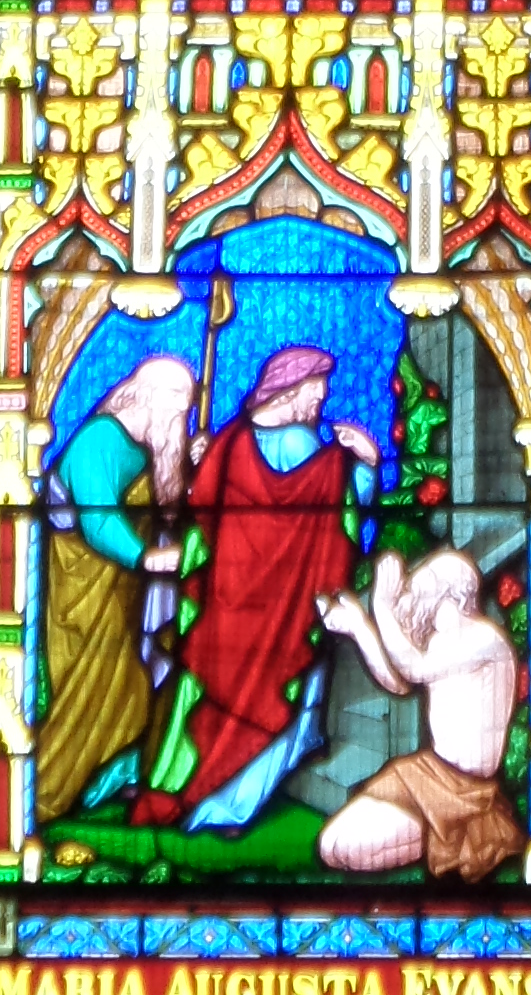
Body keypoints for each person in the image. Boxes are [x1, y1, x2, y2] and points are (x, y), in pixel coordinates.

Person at [137, 346, 376, 828]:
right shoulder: (309, 452)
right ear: (293, 391)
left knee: (212, 697)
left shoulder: (229, 442)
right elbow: (345, 508)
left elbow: (200, 521)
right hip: (281, 615)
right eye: (317, 388)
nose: (322, 398)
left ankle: (188, 787)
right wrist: (365, 462)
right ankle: (229, 806)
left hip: (225, 611)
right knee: (278, 701)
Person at [37, 355, 196, 819]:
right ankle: (52, 791)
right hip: (85, 595)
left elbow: (164, 507)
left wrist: (188, 462)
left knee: (132, 685)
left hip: (124, 596)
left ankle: (110, 781)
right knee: (89, 692)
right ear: (151, 400)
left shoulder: (143, 445)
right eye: (178, 411)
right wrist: (148, 557)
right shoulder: (98, 442)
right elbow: (99, 519)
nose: (179, 422)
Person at [314, 549, 525, 878]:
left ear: (448, 592)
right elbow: (398, 682)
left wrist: (382, 607)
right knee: (331, 845)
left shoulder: (483, 639)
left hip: (464, 790)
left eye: (419, 588)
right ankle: (443, 834)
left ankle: (463, 832)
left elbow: (413, 668)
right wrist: (359, 628)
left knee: (345, 848)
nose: (411, 597)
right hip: (425, 773)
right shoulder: (440, 644)